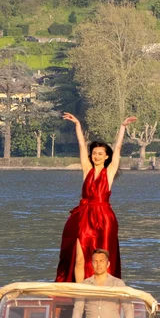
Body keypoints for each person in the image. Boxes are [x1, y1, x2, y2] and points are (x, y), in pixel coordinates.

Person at [55, 112, 136, 283]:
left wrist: (122, 127)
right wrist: (77, 124)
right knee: (79, 257)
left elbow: (118, 148)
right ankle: (79, 291)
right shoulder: (87, 169)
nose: (96, 156)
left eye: (100, 154)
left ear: (107, 157)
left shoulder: (110, 172)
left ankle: (104, 289)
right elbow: (81, 145)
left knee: (103, 258)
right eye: (94, 153)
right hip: (84, 216)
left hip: (104, 218)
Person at [71, 249, 134, 318]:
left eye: (101, 261)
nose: (98, 264)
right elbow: (78, 309)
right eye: (95, 261)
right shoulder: (84, 285)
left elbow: (128, 308)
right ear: (92, 264)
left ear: (108, 264)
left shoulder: (118, 283)